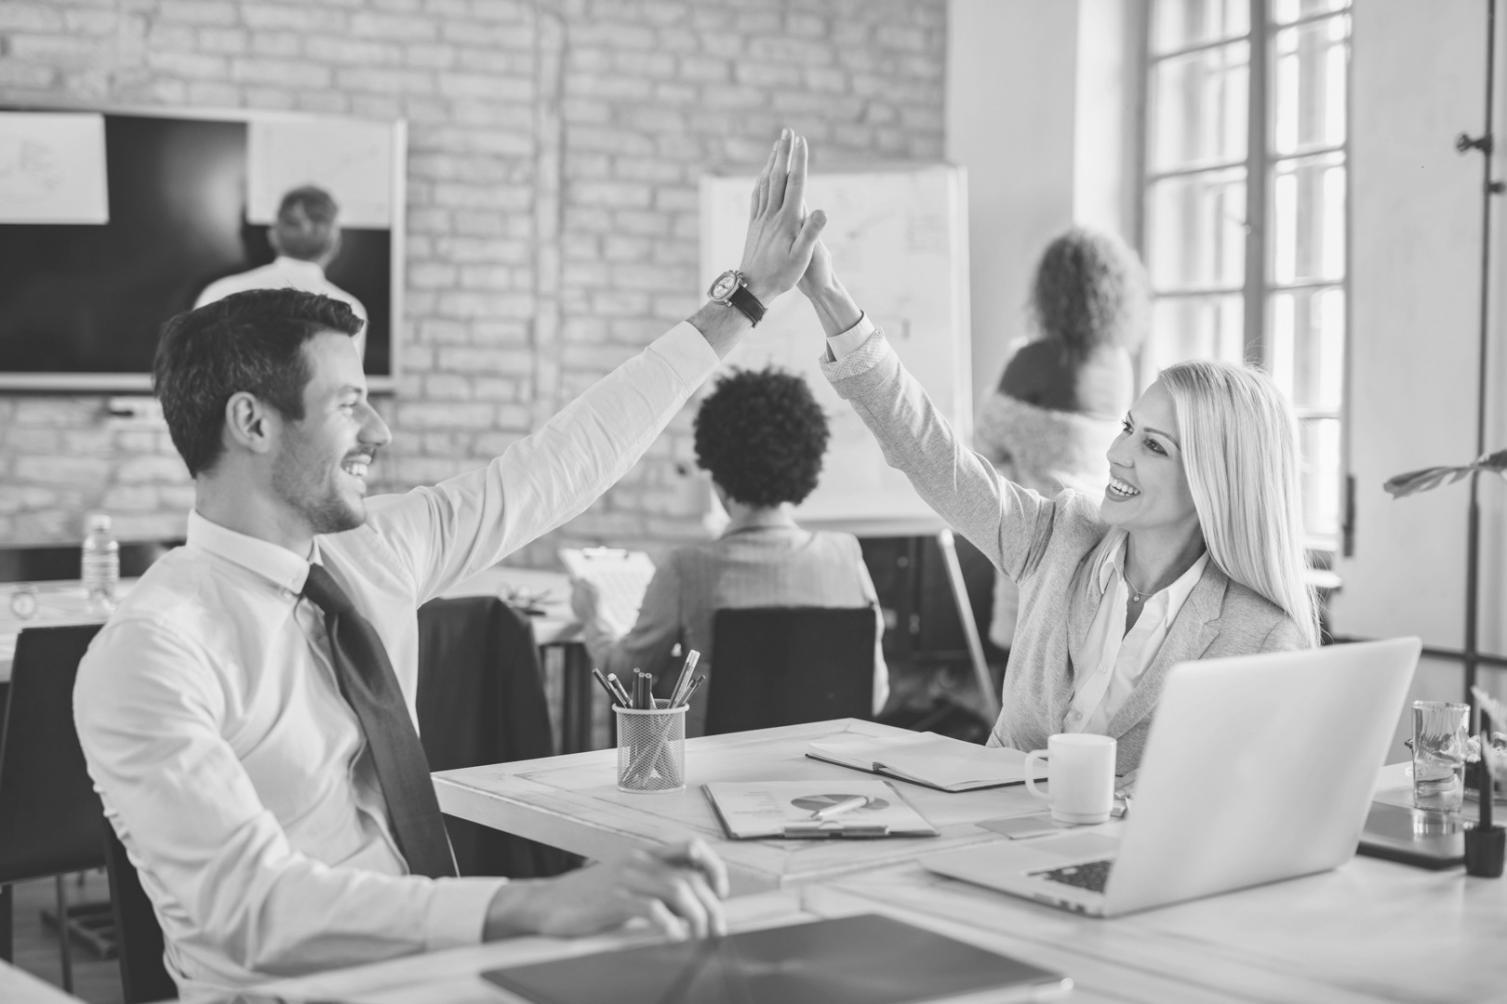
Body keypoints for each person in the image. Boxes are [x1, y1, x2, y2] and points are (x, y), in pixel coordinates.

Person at [74, 129, 826, 997]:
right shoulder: (153, 651)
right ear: (252, 423)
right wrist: (526, 908)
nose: (380, 433)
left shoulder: (378, 549)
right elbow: (249, 912)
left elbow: (559, 464)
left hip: (450, 973)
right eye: (351, 405)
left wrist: (741, 303)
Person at [795, 237, 1318, 777]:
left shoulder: (1261, 637)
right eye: (1128, 428)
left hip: (1123, 858)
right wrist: (829, 297)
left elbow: (1253, 804)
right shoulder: (1061, 535)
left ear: (1217, 482)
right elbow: (930, 453)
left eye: (1154, 446)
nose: (1116, 455)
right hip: (984, 835)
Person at [570, 365, 889, 736]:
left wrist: (594, 617)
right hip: (827, 780)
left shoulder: (687, 569)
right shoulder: (846, 556)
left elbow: (625, 678)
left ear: (717, 473)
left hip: (717, 778)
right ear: (809, 465)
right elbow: (874, 695)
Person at [974, 226, 1146, 654]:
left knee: (1025, 677)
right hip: (1100, 537)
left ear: (1050, 291)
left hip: (1036, 536)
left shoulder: (1032, 361)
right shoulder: (1120, 364)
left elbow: (983, 452)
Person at [195, 185, 371, 360]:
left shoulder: (216, 294)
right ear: (335, 242)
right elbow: (346, 386)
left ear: (273, 236)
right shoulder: (348, 310)